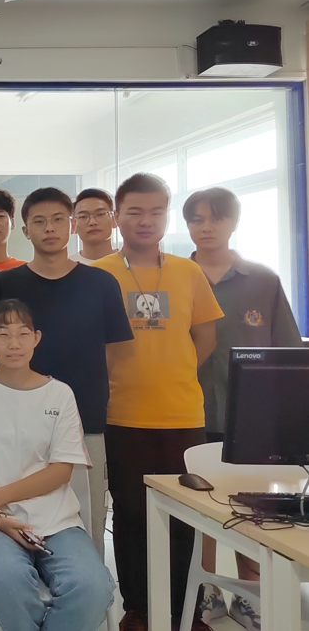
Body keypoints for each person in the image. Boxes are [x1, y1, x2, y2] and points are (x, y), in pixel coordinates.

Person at [92, 173, 223, 631]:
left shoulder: (189, 272)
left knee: (188, 517)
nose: (145, 220)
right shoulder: (98, 274)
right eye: (134, 211)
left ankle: (187, 610)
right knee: (130, 515)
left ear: (167, 217)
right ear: (117, 217)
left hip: (182, 415)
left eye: (156, 211)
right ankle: (140, 609)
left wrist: (172, 369)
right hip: (121, 415)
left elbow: (205, 337)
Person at [0, 187, 132, 560]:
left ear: (71, 225)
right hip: (14, 421)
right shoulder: (4, 285)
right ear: (26, 230)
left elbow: (114, 351)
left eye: (57, 220)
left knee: (86, 519)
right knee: (16, 515)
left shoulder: (101, 283)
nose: (49, 228)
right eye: (39, 221)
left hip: (84, 419)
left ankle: (87, 587)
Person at [184, 186, 302, 629]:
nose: (206, 227)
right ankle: (207, 588)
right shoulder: (177, 276)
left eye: (216, 218)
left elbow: (288, 351)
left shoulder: (262, 280)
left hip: (252, 416)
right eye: (196, 219)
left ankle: (248, 594)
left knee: (251, 505)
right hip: (188, 408)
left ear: (234, 222)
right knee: (199, 503)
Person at [0, 298, 115, 631]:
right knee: (7, 582)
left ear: (36, 338)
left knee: (93, 588)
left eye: (23, 333)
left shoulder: (59, 394)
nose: (14, 343)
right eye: (3, 334)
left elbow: (60, 472)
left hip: (58, 522)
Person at [70, 188, 116, 265]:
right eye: (83, 217)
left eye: (100, 214)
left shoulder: (130, 263)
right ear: (73, 225)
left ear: (114, 219)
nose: (92, 222)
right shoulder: (66, 267)